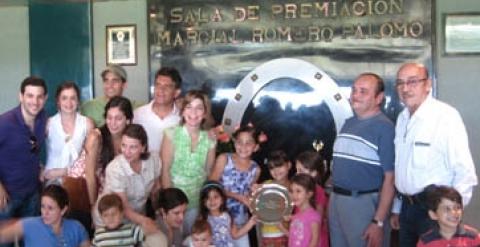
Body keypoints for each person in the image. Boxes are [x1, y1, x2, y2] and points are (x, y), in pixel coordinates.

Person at [390, 63, 478, 246]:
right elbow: (402, 167)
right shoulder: (402, 118)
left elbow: (464, 172)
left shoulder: (445, 117)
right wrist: (397, 208)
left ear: (428, 84)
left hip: (434, 211)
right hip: (407, 208)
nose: (405, 88)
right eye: (400, 83)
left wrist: (451, 214)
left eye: (413, 82)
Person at [329, 73, 395, 247]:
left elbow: (391, 179)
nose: (355, 95)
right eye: (354, 90)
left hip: (362, 204)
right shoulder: (348, 123)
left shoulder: (385, 128)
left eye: (363, 91)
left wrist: (378, 222)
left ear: (378, 98)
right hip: (336, 200)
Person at [0, 76, 48, 247]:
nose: (35, 102)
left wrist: (40, 167)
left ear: (45, 98)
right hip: (6, 199)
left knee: (31, 242)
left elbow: (32, 148)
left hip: (32, 195)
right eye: (29, 96)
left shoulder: (43, 118)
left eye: (39, 96)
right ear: (21, 96)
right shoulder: (5, 122)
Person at [160, 90, 216, 233]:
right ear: (183, 111)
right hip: (173, 203)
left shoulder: (210, 138)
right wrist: (170, 205)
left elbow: (209, 173)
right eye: (189, 107)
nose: (194, 112)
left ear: (205, 113)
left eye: (199, 108)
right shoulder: (171, 133)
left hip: (196, 203)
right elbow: (165, 169)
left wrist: (205, 206)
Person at [95, 124, 161, 231]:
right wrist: (146, 221)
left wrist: (159, 213)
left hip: (138, 217)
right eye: (124, 145)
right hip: (111, 221)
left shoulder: (154, 159)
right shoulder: (114, 169)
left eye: (133, 147)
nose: (127, 152)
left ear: (143, 147)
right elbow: (124, 207)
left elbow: (156, 189)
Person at [209, 125, 261, 247]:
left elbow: (249, 196)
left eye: (249, 143)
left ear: (256, 147)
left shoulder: (256, 169)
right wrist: (237, 196)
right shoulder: (224, 159)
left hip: (240, 222)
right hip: (218, 217)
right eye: (240, 142)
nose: (243, 146)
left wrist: (255, 192)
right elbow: (211, 186)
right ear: (234, 143)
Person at [81, 96, 133, 207]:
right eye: (109, 118)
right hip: (84, 190)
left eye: (118, 119)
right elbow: (90, 176)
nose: (112, 123)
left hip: (111, 193)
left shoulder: (131, 138)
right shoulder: (96, 137)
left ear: (128, 120)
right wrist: (93, 206)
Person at [0, 184, 89, 247]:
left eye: (50, 208)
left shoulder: (76, 228)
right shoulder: (30, 225)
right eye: (43, 207)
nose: (45, 212)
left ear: (63, 210)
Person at [43, 81, 94, 184]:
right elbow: (30, 151)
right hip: (52, 182)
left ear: (78, 101)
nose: (69, 103)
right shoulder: (48, 124)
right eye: (64, 98)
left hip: (78, 181)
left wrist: (64, 171)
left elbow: (91, 158)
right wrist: (40, 170)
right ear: (58, 101)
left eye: (73, 98)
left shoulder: (87, 124)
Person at [133, 67, 182, 155]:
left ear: (176, 93)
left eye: (167, 86)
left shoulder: (183, 117)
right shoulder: (138, 115)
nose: (161, 90)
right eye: (158, 85)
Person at [93, 193, 167, 247]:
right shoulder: (98, 234)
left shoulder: (131, 230)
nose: (110, 218)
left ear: (121, 214)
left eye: (114, 214)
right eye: (106, 215)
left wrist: (149, 224)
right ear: (101, 217)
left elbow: (150, 230)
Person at [198, 180, 257, 247]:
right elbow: (198, 237)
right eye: (207, 198)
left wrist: (251, 222)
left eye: (216, 197)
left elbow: (235, 235)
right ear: (203, 201)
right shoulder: (203, 217)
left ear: (222, 199)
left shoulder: (227, 215)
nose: (212, 201)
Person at [256, 150, 291, 247]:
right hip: (267, 234)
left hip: (288, 234)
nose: (276, 171)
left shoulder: (294, 188)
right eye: (272, 168)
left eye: (279, 166)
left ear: (289, 165)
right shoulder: (265, 185)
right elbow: (257, 210)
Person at [295, 151, 329, 247]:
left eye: (301, 170)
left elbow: (318, 219)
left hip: (314, 239)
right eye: (297, 170)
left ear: (314, 173)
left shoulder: (318, 191)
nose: (297, 174)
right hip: (302, 235)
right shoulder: (299, 189)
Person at [287, 174, 322, 247]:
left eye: (298, 191)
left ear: (309, 194)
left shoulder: (313, 215)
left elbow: (315, 240)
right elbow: (292, 236)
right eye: (291, 191)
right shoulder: (296, 216)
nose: (294, 195)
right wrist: (280, 226)